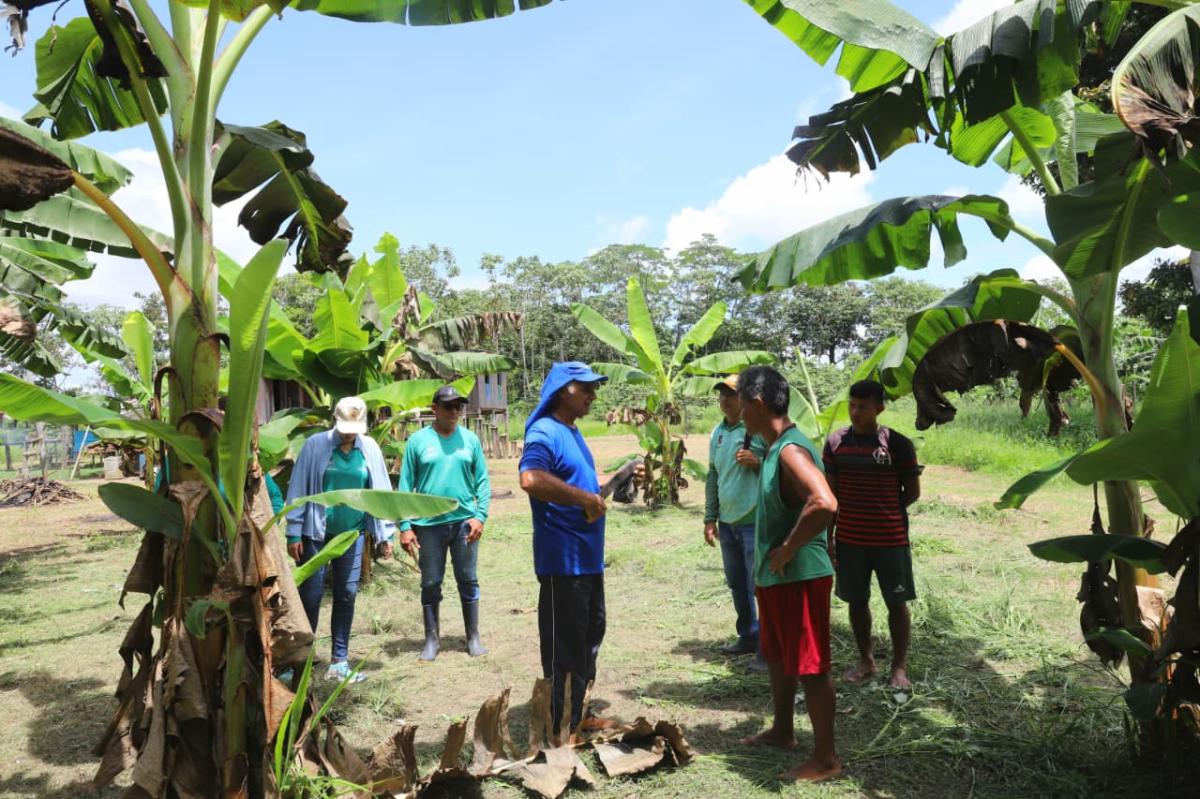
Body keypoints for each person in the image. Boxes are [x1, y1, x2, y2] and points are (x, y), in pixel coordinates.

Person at [518, 362, 641, 737]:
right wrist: (584, 498)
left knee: (589, 636)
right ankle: (560, 724)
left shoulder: (572, 432)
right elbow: (531, 478)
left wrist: (619, 476)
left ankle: (579, 712)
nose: (592, 395)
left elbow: (582, 487)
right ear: (562, 390)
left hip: (587, 558)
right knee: (565, 646)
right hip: (562, 560)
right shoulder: (545, 431)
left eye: (594, 388)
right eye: (585, 388)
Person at [737, 365, 841, 783]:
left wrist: (789, 547)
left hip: (799, 576)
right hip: (778, 579)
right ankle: (783, 730)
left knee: (811, 668)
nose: (740, 414)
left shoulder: (790, 451)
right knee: (779, 658)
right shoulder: (774, 447)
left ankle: (826, 758)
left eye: (743, 405)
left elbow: (824, 502)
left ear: (758, 403)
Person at [285, 396, 395, 682]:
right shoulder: (315, 445)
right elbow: (298, 488)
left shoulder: (369, 448)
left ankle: (339, 662)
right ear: (335, 420)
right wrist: (293, 531)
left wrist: (385, 534)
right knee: (310, 596)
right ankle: (300, 661)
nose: (349, 434)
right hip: (315, 534)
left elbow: (381, 490)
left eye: (354, 429)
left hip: (352, 534)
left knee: (346, 594)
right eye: (345, 428)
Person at [823, 379, 922, 690]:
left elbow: (912, 492)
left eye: (863, 407)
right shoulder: (835, 443)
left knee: (897, 602)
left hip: (891, 541)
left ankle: (899, 668)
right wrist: (829, 538)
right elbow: (831, 496)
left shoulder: (898, 444)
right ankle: (866, 660)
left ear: (879, 408)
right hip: (850, 540)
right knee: (856, 601)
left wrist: (883, 511)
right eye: (852, 405)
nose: (855, 412)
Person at [397, 385, 491, 661]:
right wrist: (405, 526)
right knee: (430, 581)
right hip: (429, 525)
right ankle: (431, 639)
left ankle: (473, 637)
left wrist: (480, 516)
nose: (454, 411)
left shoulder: (470, 440)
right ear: (434, 408)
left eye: (458, 406)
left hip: (464, 523)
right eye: (448, 406)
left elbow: (482, 481)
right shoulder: (417, 442)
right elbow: (405, 485)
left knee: (468, 579)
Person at [702, 374, 767, 668]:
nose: (725, 399)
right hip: (727, 523)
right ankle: (748, 635)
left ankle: (768, 648)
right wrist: (710, 518)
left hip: (754, 520)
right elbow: (713, 475)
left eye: (731, 394)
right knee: (737, 583)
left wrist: (758, 463)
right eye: (722, 394)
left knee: (760, 587)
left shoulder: (757, 430)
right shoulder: (717, 433)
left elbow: (781, 468)